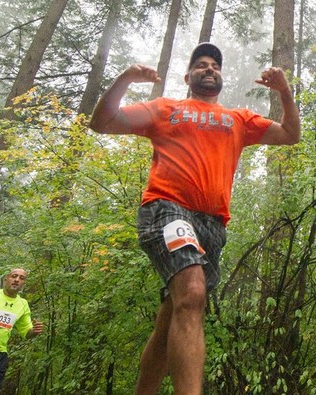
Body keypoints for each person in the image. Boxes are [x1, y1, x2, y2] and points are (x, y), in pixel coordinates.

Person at [89, 42, 300, 394]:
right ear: (188, 77)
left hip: (212, 226)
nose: (209, 69)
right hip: (167, 209)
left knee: (174, 312)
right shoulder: (165, 108)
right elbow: (103, 122)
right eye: (201, 65)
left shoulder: (239, 120)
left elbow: (290, 135)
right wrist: (125, 78)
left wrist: (285, 92)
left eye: (215, 66)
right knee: (192, 291)